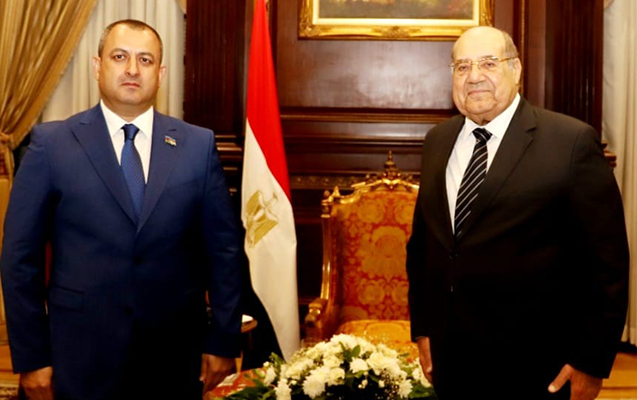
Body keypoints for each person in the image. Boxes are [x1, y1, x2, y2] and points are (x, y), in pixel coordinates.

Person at [1, 19, 241, 400]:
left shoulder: (197, 146)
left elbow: (225, 251)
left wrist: (224, 340)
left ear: (161, 74)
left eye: (145, 60)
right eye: (119, 57)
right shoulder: (52, 145)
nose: (132, 69)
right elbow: (19, 258)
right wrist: (32, 357)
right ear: (97, 66)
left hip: (173, 359)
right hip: (77, 359)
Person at [406, 26, 629, 400]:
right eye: (463, 67)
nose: (474, 76)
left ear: (517, 70)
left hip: (538, 366)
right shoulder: (437, 141)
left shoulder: (570, 142)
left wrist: (591, 360)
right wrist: (424, 330)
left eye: (488, 63)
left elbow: (608, 263)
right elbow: (424, 247)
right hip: (452, 361)